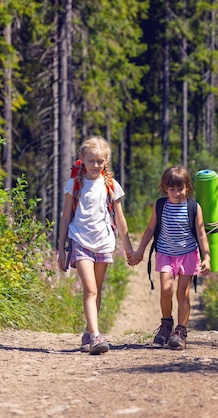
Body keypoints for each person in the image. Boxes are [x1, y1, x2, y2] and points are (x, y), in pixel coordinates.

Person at [58, 136, 135, 355]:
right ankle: (95, 337)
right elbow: (65, 217)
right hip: (80, 241)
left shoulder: (111, 185)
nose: (95, 165)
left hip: (104, 243)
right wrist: (61, 249)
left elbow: (120, 219)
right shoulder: (73, 185)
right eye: (91, 161)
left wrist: (129, 248)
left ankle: (88, 331)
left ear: (106, 162)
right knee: (90, 289)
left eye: (100, 161)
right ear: (81, 159)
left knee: (96, 290)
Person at [132, 165, 211, 350]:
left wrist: (206, 257)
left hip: (189, 255)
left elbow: (201, 234)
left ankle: (181, 331)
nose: (176, 192)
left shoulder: (193, 207)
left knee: (182, 293)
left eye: (180, 188)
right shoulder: (160, 205)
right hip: (165, 254)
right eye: (172, 188)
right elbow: (151, 229)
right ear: (165, 188)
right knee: (166, 290)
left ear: (187, 187)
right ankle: (166, 324)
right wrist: (140, 251)